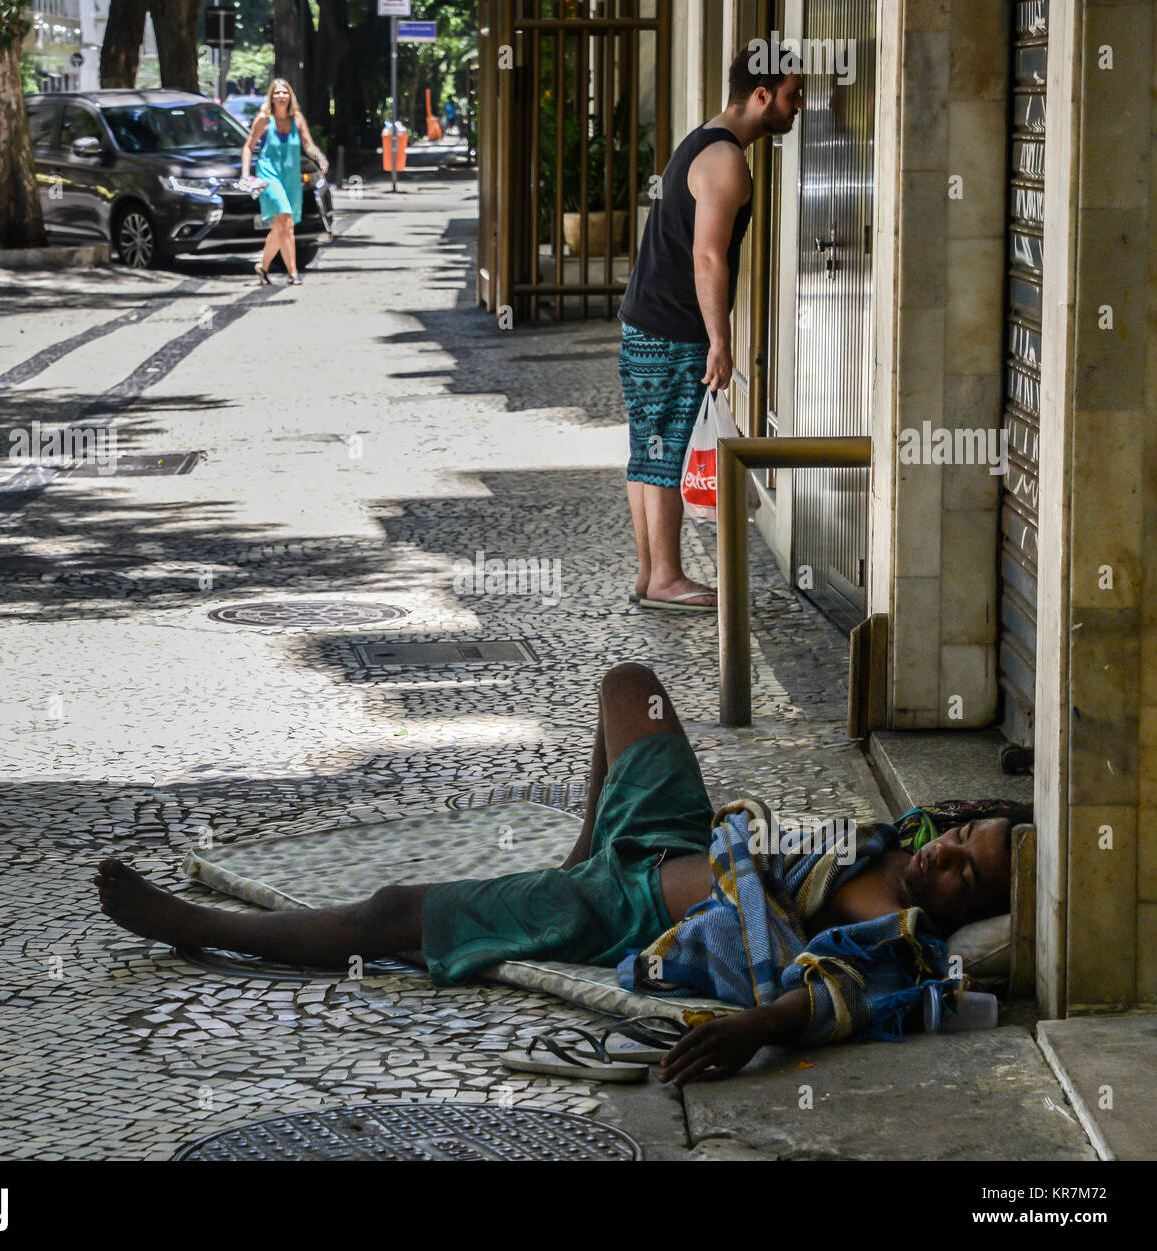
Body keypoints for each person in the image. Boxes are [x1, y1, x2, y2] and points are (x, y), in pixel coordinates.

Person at [95, 662, 1030, 1085]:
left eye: (967, 880)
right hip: (670, 836)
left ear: (973, 911)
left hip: (622, 906)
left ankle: (197, 928)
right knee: (633, 683)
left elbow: (835, 1002)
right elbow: (909, 837)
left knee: (394, 913)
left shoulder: (899, 942)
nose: (948, 862)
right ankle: (579, 845)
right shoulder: (902, 845)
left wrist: (753, 1026)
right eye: (964, 841)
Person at [618, 44, 803, 611]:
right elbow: (707, 257)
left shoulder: (701, 140)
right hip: (673, 329)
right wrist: (720, 341)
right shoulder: (727, 163)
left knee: (647, 452)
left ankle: (652, 576)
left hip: (644, 322)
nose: (798, 110)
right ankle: (667, 577)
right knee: (666, 452)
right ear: (762, 95)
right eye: (793, 97)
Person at [241, 78, 329, 286]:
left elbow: (308, 145)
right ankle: (293, 272)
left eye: (285, 93)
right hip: (268, 175)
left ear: (290, 96)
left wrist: (320, 158)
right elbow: (248, 146)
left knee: (281, 225)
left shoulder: (296, 119)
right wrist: (246, 174)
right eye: (277, 93)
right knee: (286, 220)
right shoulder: (264, 119)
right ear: (271, 97)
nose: (281, 96)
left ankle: (262, 267)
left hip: (290, 176)